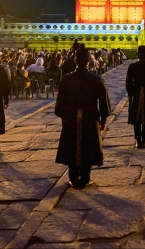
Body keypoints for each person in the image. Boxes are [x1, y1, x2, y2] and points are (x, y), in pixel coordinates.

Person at [55, 45, 111, 189]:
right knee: (88, 145)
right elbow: (104, 101)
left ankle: (73, 177)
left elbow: (60, 103)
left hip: (72, 116)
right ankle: (85, 178)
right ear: (88, 61)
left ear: (75, 60)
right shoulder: (96, 79)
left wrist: (64, 116)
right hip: (90, 117)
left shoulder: (66, 80)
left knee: (72, 145)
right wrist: (103, 119)